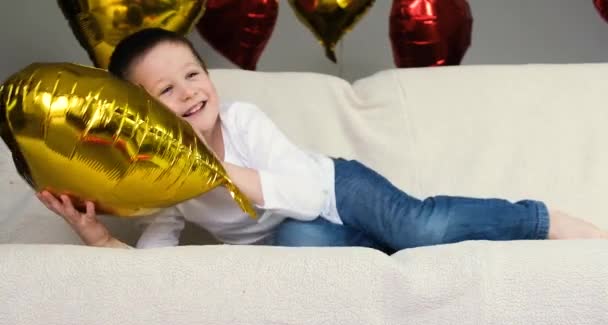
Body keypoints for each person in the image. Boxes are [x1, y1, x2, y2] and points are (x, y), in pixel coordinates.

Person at [36, 28, 608, 253]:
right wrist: (96, 236)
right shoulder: (162, 180)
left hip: (337, 186)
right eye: (165, 91)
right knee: (301, 250)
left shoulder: (243, 122)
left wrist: (218, 174)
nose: (188, 93)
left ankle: (540, 219)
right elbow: (155, 261)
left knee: (419, 226)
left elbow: (308, 193)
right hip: (293, 233)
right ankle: (382, 250)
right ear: (143, 115)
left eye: (192, 75)